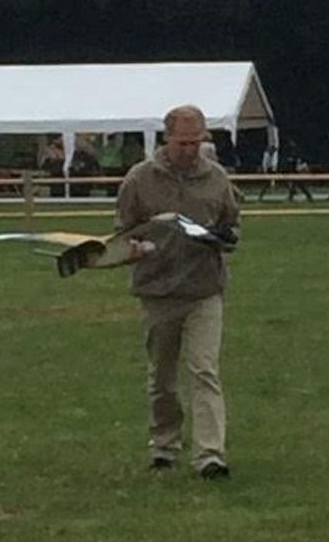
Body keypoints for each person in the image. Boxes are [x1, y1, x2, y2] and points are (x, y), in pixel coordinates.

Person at [115, 104, 240, 480]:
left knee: (204, 370)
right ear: (167, 138)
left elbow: (232, 225)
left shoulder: (217, 178)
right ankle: (165, 445)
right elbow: (122, 231)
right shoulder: (139, 179)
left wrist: (224, 238)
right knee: (163, 377)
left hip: (204, 289)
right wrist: (132, 249)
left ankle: (210, 455)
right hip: (158, 290)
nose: (190, 149)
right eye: (183, 142)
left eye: (197, 141)